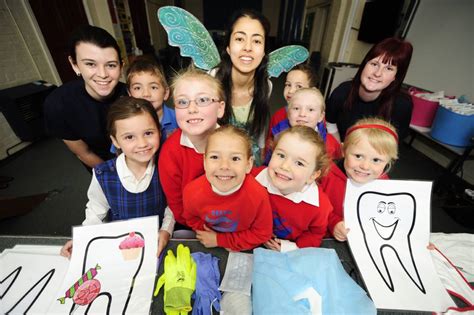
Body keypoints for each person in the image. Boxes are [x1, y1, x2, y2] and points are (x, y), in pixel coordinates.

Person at [60, 97, 171, 258]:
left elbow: (173, 204)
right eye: (129, 137)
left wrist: (166, 229)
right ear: (115, 141)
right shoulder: (103, 174)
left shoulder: (166, 166)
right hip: (119, 245)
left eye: (148, 133)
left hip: (157, 242)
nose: (142, 143)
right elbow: (96, 210)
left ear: (159, 133)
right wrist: (82, 239)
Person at [44, 25, 127, 172]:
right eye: (90, 64)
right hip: (102, 165)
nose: (102, 74)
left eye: (111, 65)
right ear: (74, 65)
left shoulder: (133, 95)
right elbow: (83, 153)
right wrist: (115, 177)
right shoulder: (58, 105)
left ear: (121, 66)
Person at [183, 125, 272, 251]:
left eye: (235, 158)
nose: (224, 166)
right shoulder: (191, 192)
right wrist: (208, 235)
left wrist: (221, 240)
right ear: (204, 161)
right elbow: (191, 218)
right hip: (209, 243)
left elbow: (262, 233)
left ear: (248, 164)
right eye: (215, 157)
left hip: (243, 248)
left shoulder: (258, 195)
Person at [158, 68, 225, 229]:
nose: (192, 109)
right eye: (182, 102)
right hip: (193, 226)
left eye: (202, 100)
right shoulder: (170, 153)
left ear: (220, 108)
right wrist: (204, 228)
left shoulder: (234, 144)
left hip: (232, 221)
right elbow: (177, 204)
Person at [254, 126, 333, 251]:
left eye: (299, 163)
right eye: (281, 155)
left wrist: (292, 247)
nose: (285, 166)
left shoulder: (319, 206)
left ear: (313, 175)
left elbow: (315, 234)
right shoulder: (253, 179)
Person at [320, 118, 399, 242]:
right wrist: (333, 223)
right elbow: (315, 209)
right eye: (358, 156)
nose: (365, 166)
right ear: (343, 151)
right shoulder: (326, 175)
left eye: (376, 160)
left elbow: (394, 218)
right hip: (327, 240)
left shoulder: (386, 186)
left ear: (388, 161)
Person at [325, 37, 413, 142]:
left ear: (396, 77)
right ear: (364, 65)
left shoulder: (402, 106)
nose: (377, 73)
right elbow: (330, 123)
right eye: (374, 64)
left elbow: (391, 147)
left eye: (389, 68)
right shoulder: (342, 92)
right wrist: (340, 150)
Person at [214, 9, 272, 166]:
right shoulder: (211, 80)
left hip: (249, 157)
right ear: (228, 47)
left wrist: (260, 152)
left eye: (257, 41)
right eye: (240, 39)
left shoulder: (265, 85)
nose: (248, 47)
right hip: (216, 156)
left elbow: (259, 127)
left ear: (264, 51)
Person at [264, 88, 341, 164]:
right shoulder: (278, 135)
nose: (302, 114)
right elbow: (268, 162)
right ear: (288, 113)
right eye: (296, 108)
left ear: (321, 116)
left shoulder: (330, 144)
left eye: (310, 110)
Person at [126, 56, 177, 140]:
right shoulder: (125, 122)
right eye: (138, 88)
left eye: (153, 87)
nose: (146, 94)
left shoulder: (178, 119)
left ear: (166, 93)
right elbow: (118, 151)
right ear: (129, 94)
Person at [267, 63, 317, 133]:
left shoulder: (316, 115)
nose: (290, 91)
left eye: (299, 86)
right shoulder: (278, 116)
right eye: (288, 85)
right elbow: (270, 141)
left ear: (312, 90)